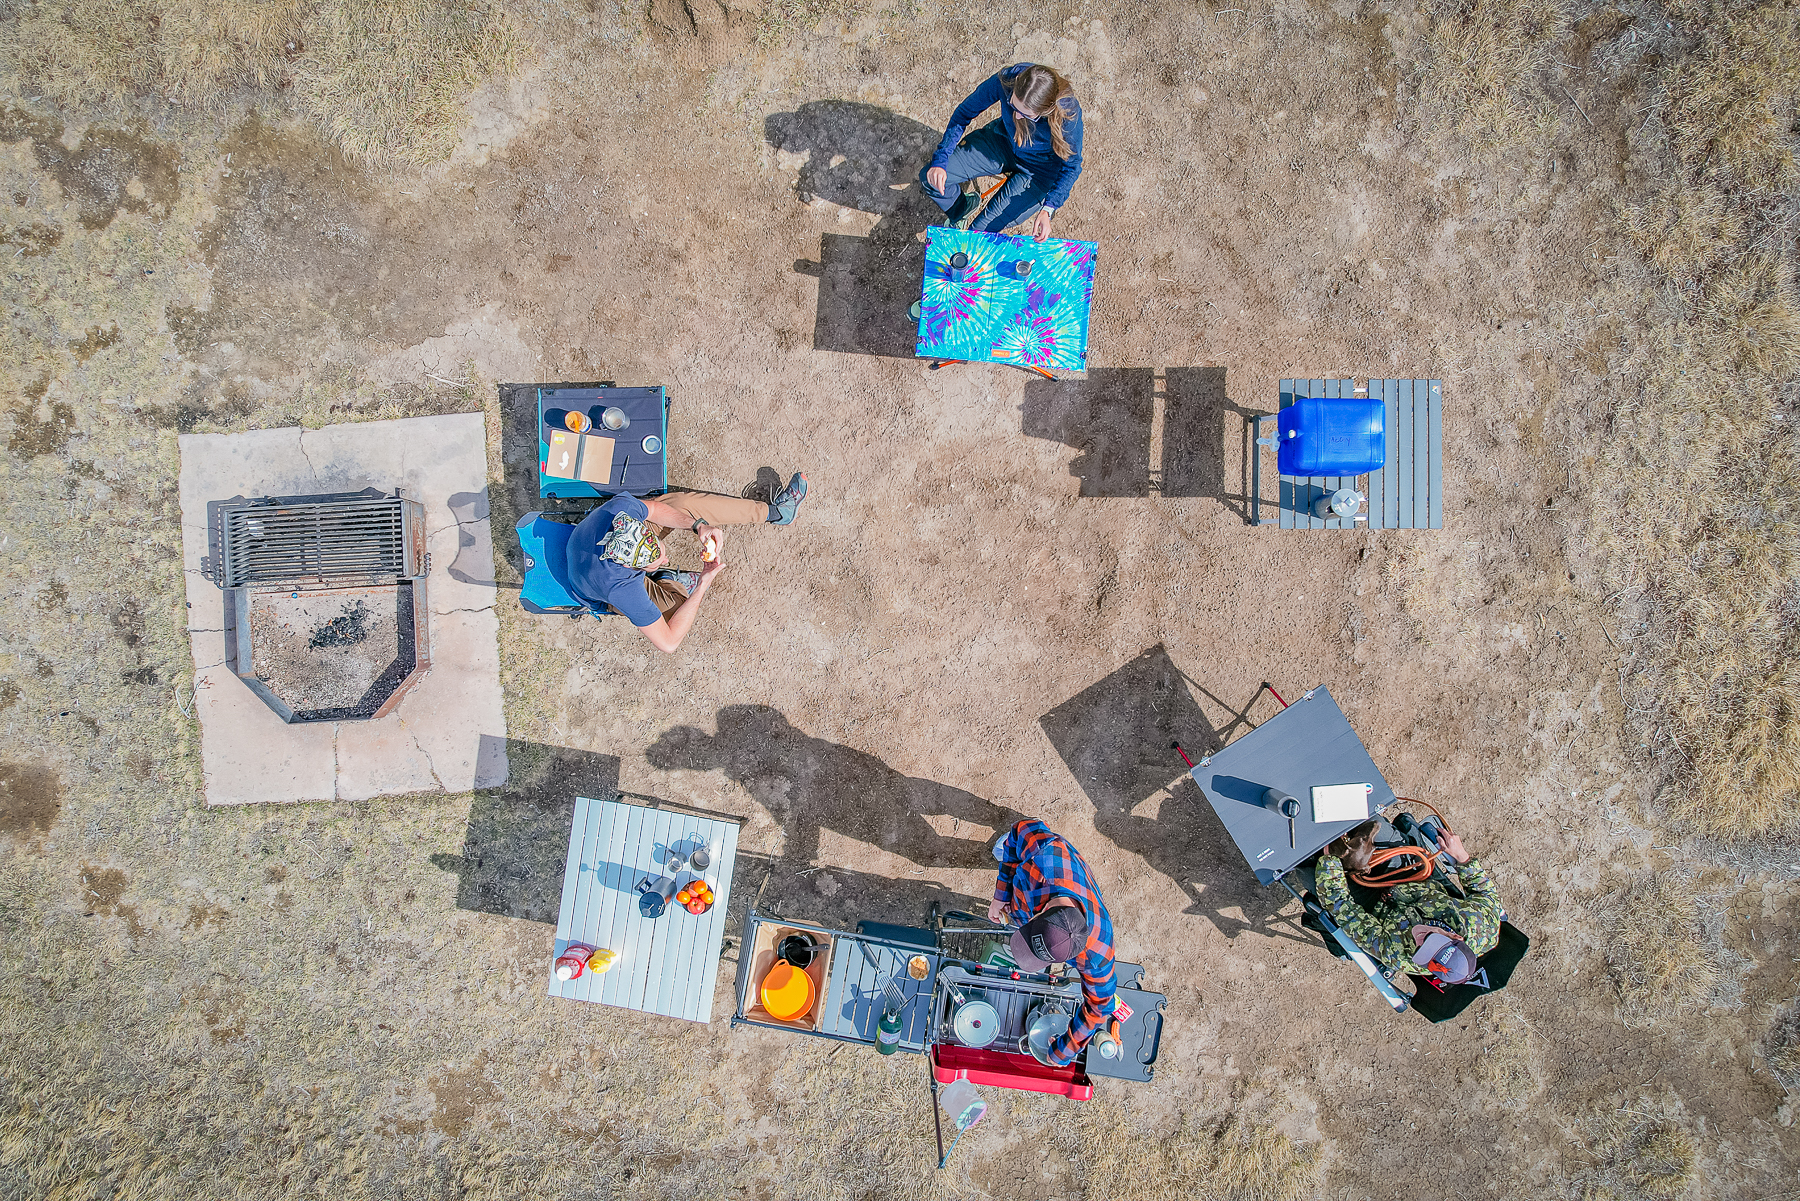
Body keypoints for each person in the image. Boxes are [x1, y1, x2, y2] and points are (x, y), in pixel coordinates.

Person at [564, 474, 807, 653]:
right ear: (631, 570)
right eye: (660, 562)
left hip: (594, 554)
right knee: (682, 607)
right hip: (596, 587)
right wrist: (702, 585)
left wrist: (698, 525)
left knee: (678, 505)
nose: (667, 558)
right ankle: (666, 580)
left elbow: (653, 509)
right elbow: (669, 643)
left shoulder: (621, 510)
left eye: (661, 553)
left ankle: (776, 512)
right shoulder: (621, 589)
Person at [987, 819, 1116, 1066]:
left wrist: (1062, 1052)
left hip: (1031, 903)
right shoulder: (1046, 855)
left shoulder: (1098, 952)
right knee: (1009, 850)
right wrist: (1001, 894)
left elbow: (1100, 1006)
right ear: (1040, 912)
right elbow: (1019, 830)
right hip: (1037, 883)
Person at [1313, 821, 1504, 987]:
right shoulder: (1481, 925)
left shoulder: (1397, 955)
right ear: (1454, 935)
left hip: (1373, 907)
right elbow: (1483, 891)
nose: (1420, 940)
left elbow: (1342, 908)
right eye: (1430, 938)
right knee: (1372, 820)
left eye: (1423, 950)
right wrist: (1461, 856)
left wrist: (1332, 860)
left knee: (1310, 863)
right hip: (1411, 876)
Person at [919, 63, 1084, 241]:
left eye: (1027, 115)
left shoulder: (1067, 114)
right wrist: (941, 159)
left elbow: (1072, 166)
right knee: (930, 180)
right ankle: (962, 208)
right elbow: (965, 112)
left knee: (976, 237)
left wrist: (1049, 208)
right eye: (1013, 106)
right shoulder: (1007, 79)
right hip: (1001, 142)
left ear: (1047, 110)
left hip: (1040, 174)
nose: (1018, 117)